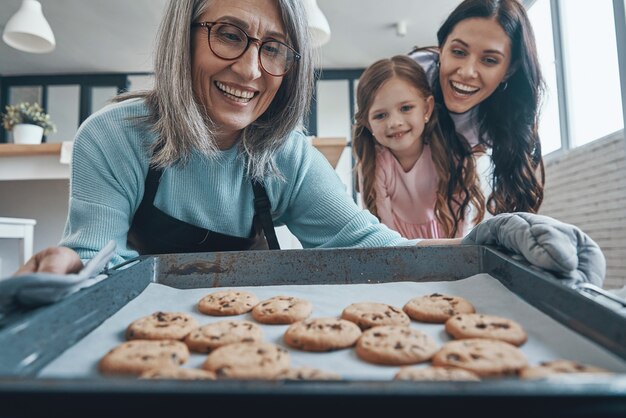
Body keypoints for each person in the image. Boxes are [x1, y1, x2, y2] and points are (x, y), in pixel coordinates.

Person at [13, 0, 604, 288]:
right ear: (182, 37)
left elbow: (369, 243)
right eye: (229, 35)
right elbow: (95, 251)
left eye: (273, 48)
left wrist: (485, 251)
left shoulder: (283, 155)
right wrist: (67, 266)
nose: (250, 69)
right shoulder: (114, 138)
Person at [409, 0, 545, 218]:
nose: (467, 72)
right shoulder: (413, 76)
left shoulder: (506, 118)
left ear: (509, 71)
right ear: (441, 48)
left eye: (489, 60)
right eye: (459, 52)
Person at [353, 55, 484, 239]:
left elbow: (460, 227)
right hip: (397, 248)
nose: (395, 122)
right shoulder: (373, 165)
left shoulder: (450, 155)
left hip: (449, 246)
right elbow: (384, 235)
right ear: (368, 123)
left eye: (406, 108)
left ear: (427, 108)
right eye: (380, 116)